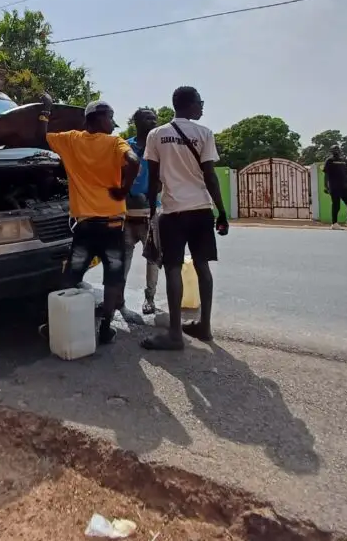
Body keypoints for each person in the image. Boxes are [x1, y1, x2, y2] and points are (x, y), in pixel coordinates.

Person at [37, 96, 141, 345]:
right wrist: (123, 190)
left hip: (85, 227)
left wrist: (46, 111)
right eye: (110, 119)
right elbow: (134, 162)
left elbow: (43, 136)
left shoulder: (71, 140)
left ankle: (55, 327)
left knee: (72, 275)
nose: (112, 125)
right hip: (113, 226)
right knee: (113, 279)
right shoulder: (115, 142)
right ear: (99, 118)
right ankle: (105, 330)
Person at [141, 86, 229, 351]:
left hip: (173, 211)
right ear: (189, 105)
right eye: (200, 103)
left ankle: (175, 334)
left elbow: (154, 179)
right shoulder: (204, 134)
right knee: (202, 266)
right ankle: (205, 327)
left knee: (173, 268)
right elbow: (210, 176)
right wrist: (221, 211)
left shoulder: (157, 135)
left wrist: (151, 211)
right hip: (201, 210)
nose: (202, 107)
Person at [124, 108, 162, 315]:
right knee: (124, 259)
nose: (153, 120)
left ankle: (150, 298)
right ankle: (118, 298)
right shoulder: (124, 146)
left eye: (155, 118)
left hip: (150, 212)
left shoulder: (157, 147)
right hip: (127, 214)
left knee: (152, 260)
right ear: (136, 120)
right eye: (148, 117)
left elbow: (162, 178)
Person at [323, 146, 347, 228]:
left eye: (337, 149)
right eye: (334, 149)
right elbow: (326, 174)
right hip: (334, 187)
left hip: (345, 186)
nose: (336, 150)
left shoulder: (344, 161)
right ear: (331, 151)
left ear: (340, 150)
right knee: (336, 205)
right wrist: (326, 186)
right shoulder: (329, 161)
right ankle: (334, 223)